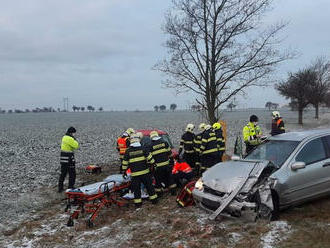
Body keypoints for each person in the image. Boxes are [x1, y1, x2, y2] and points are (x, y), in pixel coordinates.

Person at [122, 133, 158, 208]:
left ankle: (138, 204)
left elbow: (125, 163)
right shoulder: (143, 148)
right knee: (149, 187)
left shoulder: (128, 151)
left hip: (135, 175)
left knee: (136, 189)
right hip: (145, 172)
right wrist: (154, 164)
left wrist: (124, 171)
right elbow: (150, 158)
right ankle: (154, 200)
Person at [149, 131, 176, 195]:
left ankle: (159, 194)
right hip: (166, 165)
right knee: (169, 178)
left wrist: (151, 165)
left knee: (158, 180)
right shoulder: (165, 143)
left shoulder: (150, 146)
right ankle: (173, 191)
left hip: (157, 167)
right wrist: (171, 162)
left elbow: (150, 158)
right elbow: (170, 154)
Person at [58, 127, 79, 193]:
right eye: (74, 133)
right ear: (72, 132)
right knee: (72, 174)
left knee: (63, 174)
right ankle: (70, 187)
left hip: (63, 159)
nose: (74, 134)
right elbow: (76, 146)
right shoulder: (70, 138)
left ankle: (60, 188)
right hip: (69, 159)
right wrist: (75, 140)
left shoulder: (64, 137)